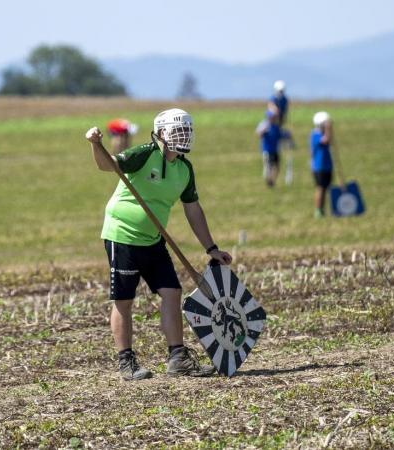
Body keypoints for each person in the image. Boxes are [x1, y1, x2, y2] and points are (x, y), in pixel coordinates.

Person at [85, 108, 233, 381]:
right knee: (124, 300)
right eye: (178, 131)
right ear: (162, 133)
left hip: (154, 239)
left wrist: (211, 248)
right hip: (122, 236)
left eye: (187, 131)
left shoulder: (185, 169)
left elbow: (193, 210)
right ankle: (126, 362)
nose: (184, 136)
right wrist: (96, 144)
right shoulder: (144, 154)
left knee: (172, 292)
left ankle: (177, 358)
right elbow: (107, 165)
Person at [256, 109, 293, 187]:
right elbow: (259, 134)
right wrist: (263, 131)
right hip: (267, 150)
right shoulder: (265, 126)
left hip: (275, 150)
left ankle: (272, 181)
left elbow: (281, 135)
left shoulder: (276, 127)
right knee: (268, 167)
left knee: (277, 167)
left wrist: (287, 135)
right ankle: (269, 182)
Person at [310, 111, 334, 218]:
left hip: (327, 165)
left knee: (326, 188)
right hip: (319, 166)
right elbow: (326, 140)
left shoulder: (323, 133)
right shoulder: (315, 134)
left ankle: (323, 209)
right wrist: (328, 130)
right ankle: (318, 210)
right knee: (320, 188)